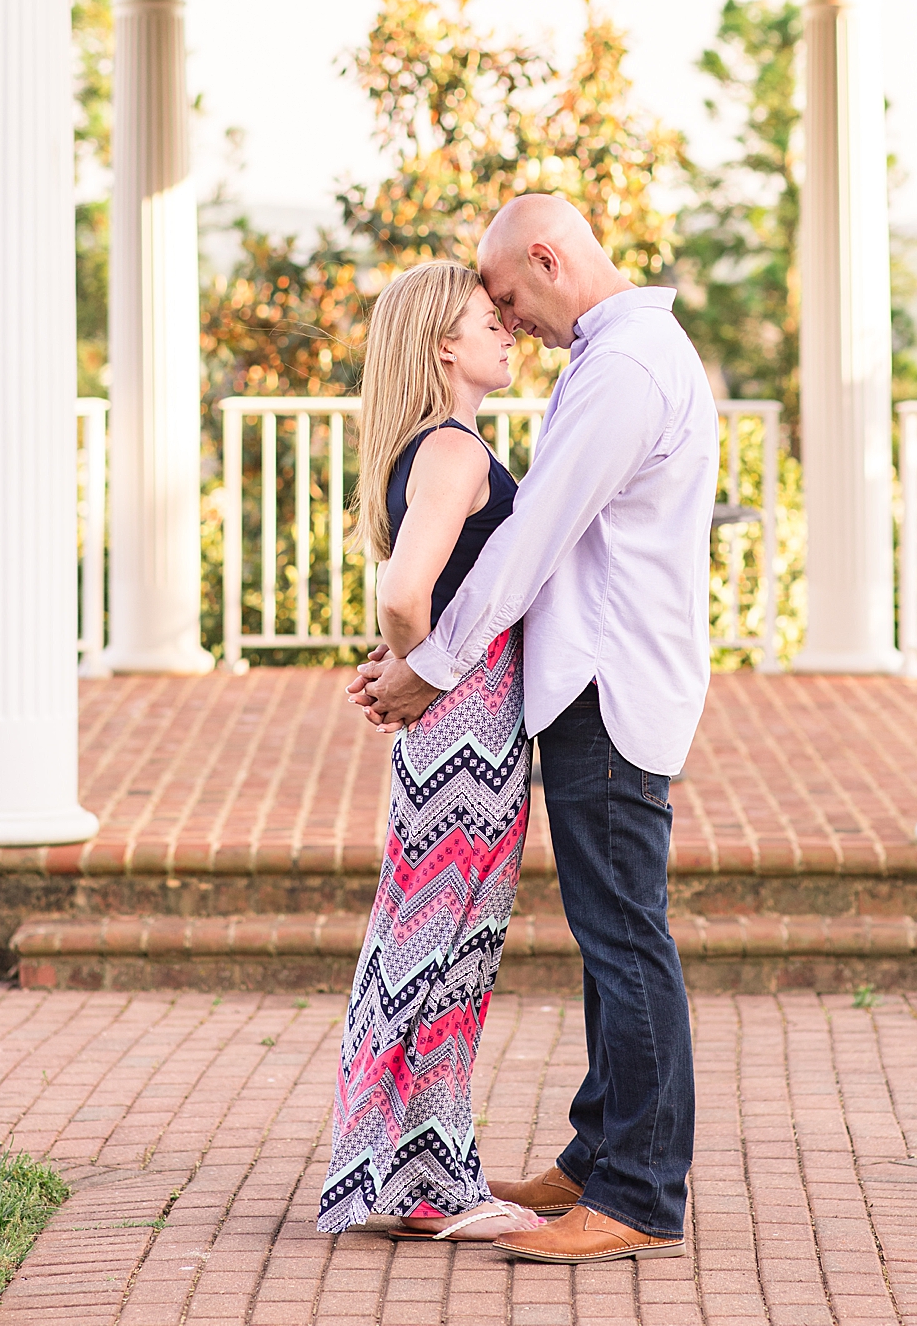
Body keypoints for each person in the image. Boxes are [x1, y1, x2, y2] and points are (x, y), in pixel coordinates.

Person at [350, 195, 719, 1266]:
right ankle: (600, 1154)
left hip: (609, 685)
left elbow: (531, 543)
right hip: (597, 684)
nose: (510, 319)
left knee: (624, 936)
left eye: (510, 294)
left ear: (548, 258)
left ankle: (640, 1193)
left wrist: (430, 665)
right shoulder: (620, 356)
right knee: (613, 932)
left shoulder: (623, 368)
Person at [317, 260, 545, 1243]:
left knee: (432, 946)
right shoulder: (452, 450)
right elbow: (406, 596)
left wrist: (420, 671)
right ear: (443, 347)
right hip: (470, 730)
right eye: (486, 322)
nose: (506, 332)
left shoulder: (432, 446)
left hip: (459, 729)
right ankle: (429, 1184)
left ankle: (411, 1176)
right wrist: (428, 672)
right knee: (447, 950)